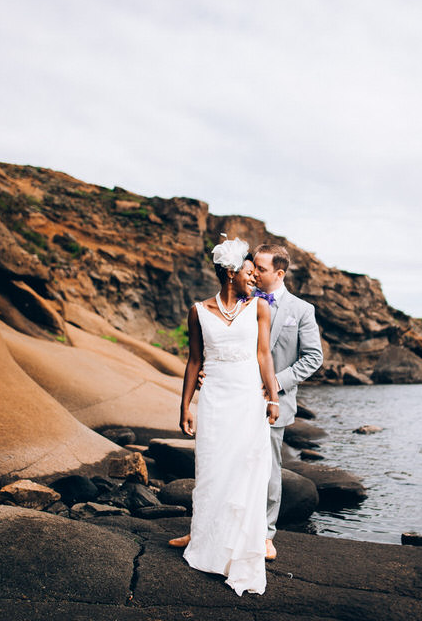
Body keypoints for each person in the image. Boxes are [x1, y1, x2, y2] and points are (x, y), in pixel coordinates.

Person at [169, 235, 280, 596]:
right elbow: (194, 361)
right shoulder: (198, 311)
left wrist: (273, 398)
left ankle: (244, 546)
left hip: (249, 399)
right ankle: (207, 542)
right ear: (230, 273)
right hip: (215, 399)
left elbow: (264, 355)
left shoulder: (259, 307)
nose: (254, 278)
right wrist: (185, 405)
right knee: (213, 470)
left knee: (247, 471)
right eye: (249, 272)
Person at [251, 244, 324, 561]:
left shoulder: (302, 310)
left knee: (269, 470)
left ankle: (266, 534)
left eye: (261, 268)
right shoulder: (242, 300)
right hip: (236, 397)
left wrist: (274, 383)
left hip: (274, 401)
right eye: (252, 266)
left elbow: (314, 358)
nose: (253, 272)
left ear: (279, 273)